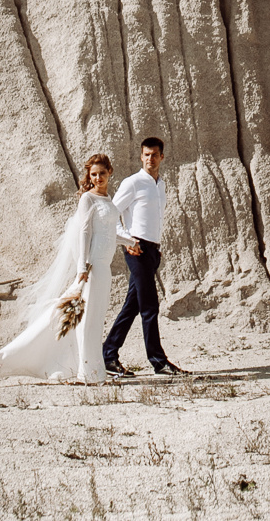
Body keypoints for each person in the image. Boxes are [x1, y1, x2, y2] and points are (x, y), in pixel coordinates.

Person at [0, 154, 120, 384]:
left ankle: (91, 370)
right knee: (84, 320)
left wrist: (131, 243)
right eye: (93, 174)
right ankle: (88, 373)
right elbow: (84, 233)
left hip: (105, 268)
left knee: (95, 319)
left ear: (110, 172)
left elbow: (109, 232)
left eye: (102, 173)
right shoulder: (88, 199)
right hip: (92, 267)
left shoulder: (108, 198)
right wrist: (82, 266)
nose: (97, 178)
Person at [102, 137, 184, 376]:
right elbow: (110, 215)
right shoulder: (133, 183)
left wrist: (156, 248)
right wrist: (127, 240)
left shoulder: (161, 185)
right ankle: (158, 361)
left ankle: (108, 354)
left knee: (132, 306)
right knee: (150, 306)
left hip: (152, 251)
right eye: (146, 154)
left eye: (155, 154)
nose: (151, 159)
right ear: (141, 157)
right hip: (136, 250)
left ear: (162, 157)